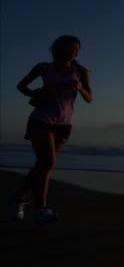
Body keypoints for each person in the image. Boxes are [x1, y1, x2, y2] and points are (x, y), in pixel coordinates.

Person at [10, 35, 93, 224]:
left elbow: (90, 98)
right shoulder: (44, 68)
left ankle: (19, 197)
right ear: (57, 49)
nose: (74, 51)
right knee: (47, 163)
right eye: (70, 47)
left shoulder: (81, 71)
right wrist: (34, 93)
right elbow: (21, 86)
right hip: (42, 119)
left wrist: (80, 88)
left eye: (77, 49)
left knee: (43, 165)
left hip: (64, 124)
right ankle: (40, 209)